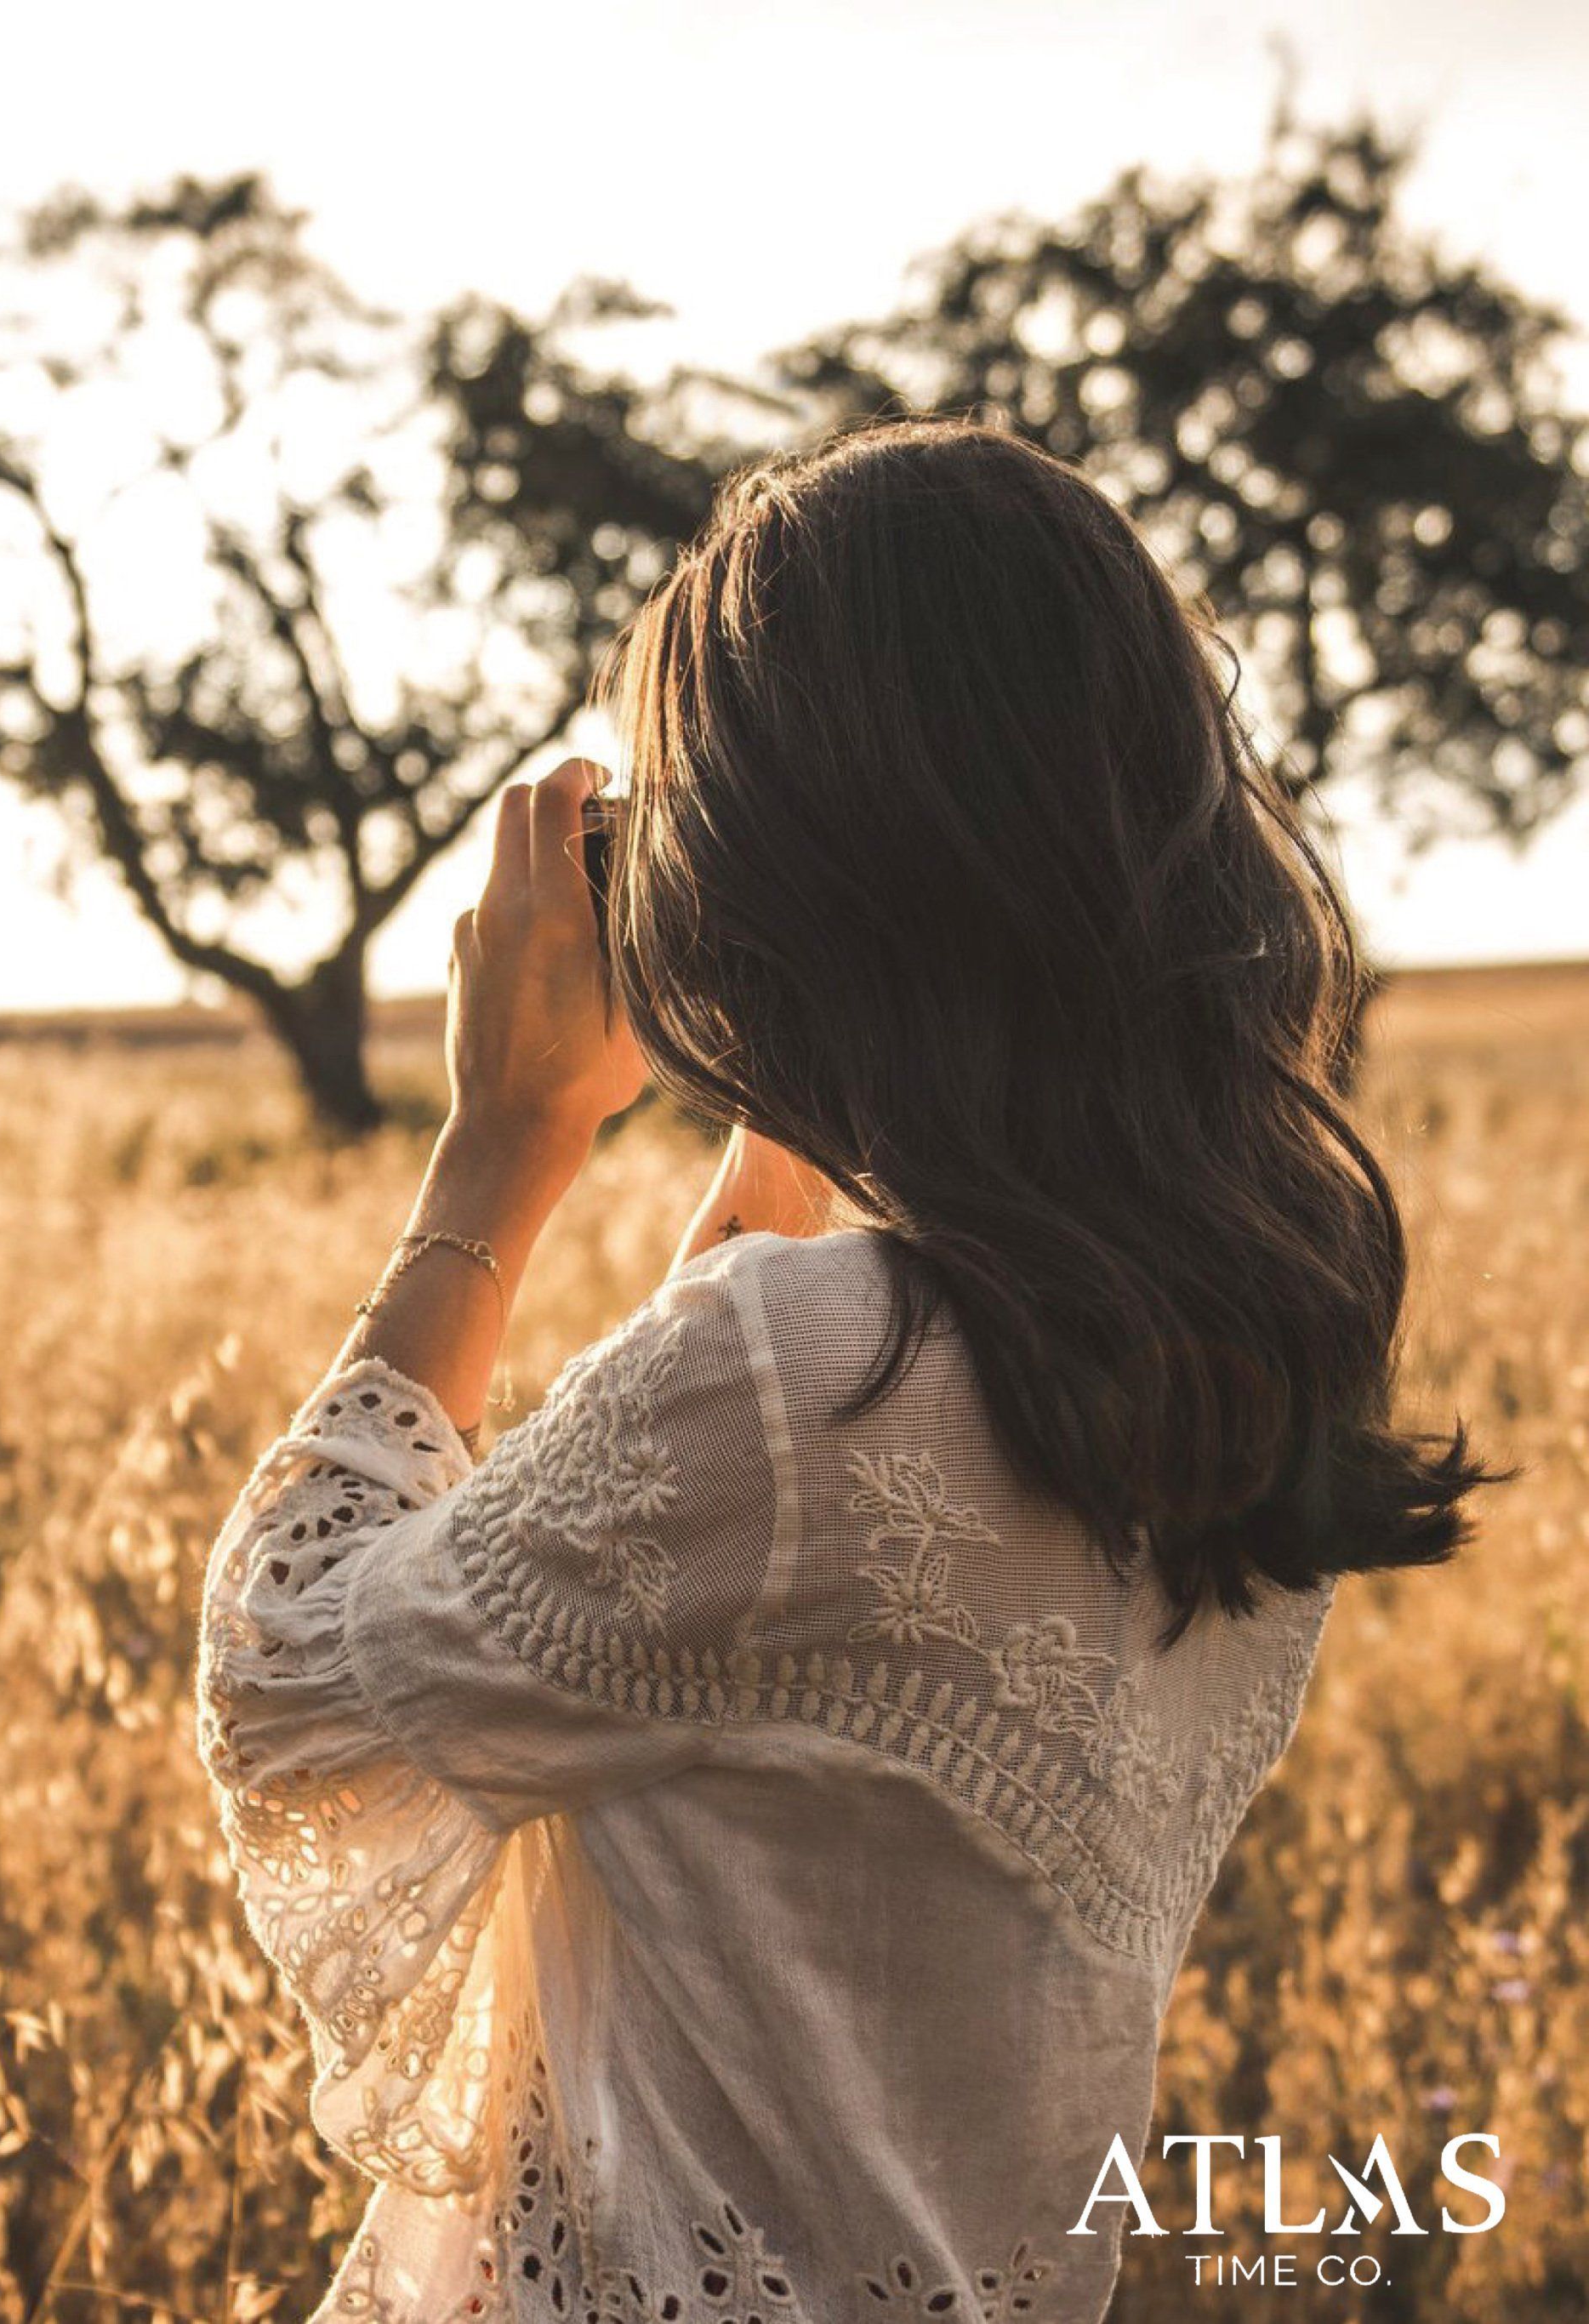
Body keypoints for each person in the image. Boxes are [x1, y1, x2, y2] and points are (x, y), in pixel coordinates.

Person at [196, 414, 1512, 2323]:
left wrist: (503, 1144)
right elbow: (738, 1628)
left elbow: (297, 1673)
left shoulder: (797, 1380)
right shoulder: (1232, 1339)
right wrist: (803, 1116)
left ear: (787, 878)